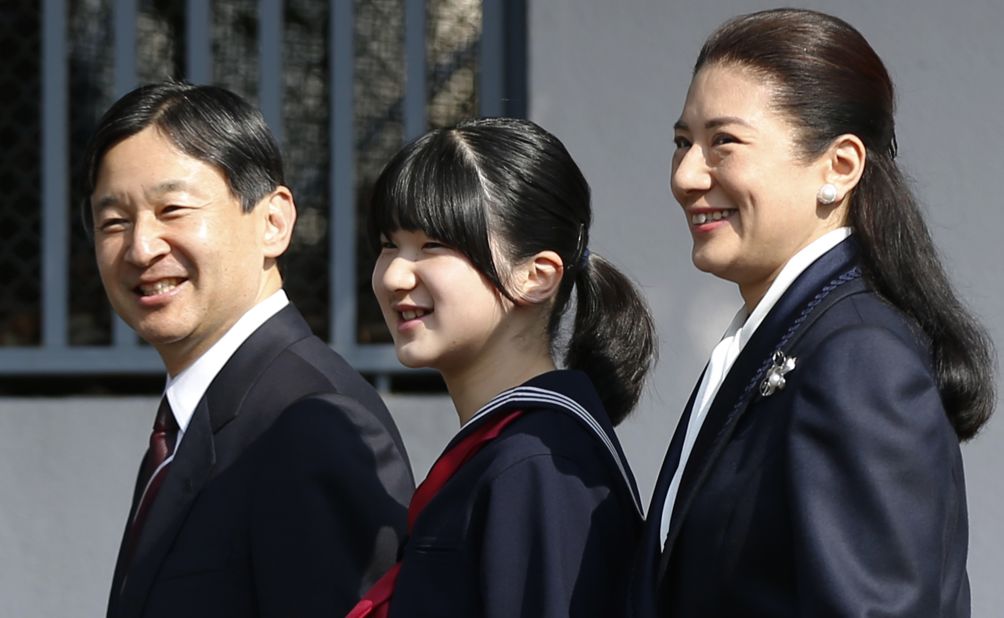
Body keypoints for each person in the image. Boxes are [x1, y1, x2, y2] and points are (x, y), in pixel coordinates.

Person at [628, 8, 996, 617]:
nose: (687, 175)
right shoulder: (781, 337)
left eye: (724, 142)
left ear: (839, 166)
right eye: (681, 142)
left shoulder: (857, 357)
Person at [85, 81, 415, 618]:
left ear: (273, 222)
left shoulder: (314, 422)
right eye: (114, 222)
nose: (141, 247)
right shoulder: (201, 416)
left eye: (173, 208)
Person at [348, 117, 656, 617]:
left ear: (537, 276)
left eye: (433, 246)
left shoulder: (540, 465)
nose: (395, 275)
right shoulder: (510, 452)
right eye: (388, 244)